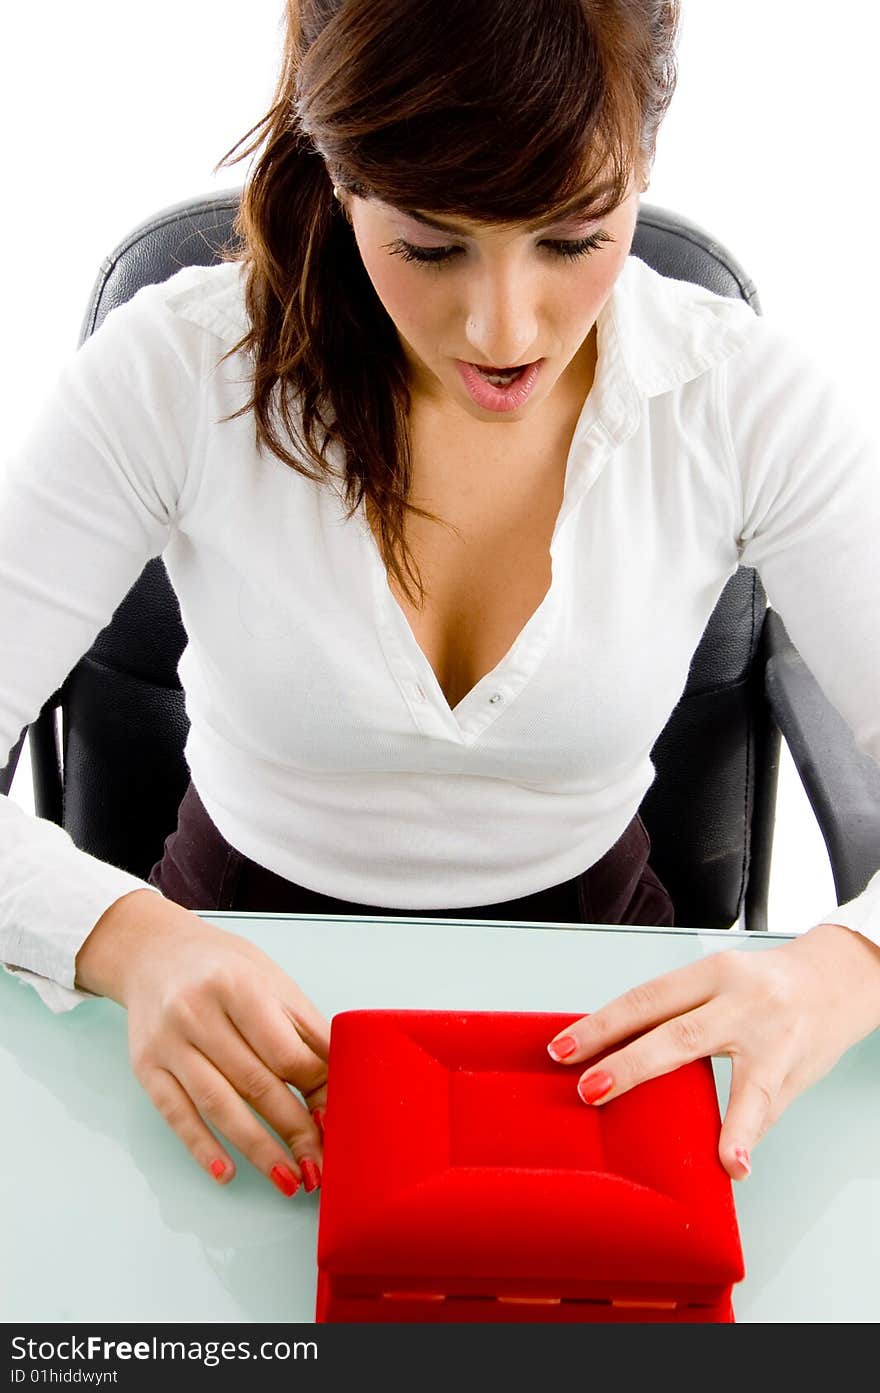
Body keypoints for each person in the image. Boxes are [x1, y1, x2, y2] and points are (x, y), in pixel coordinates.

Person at [1, 0, 879, 1204]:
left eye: (574, 240)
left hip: (596, 975)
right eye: (429, 247)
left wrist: (845, 964)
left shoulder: (742, 401)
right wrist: (123, 941)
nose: (505, 329)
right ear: (341, 176)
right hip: (232, 947)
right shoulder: (175, 370)